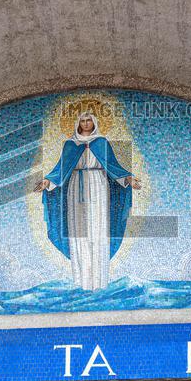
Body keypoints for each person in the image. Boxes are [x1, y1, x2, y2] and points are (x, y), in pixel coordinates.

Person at [34, 112, 141, 290]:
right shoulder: (70, 144)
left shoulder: (101, 142)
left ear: (94, 122)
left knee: (98, 229)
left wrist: (128, 179)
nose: (85, 123)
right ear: (78, 123)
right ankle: (81, 282)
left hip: (98, 186)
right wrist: (47, 182)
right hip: (76, 188)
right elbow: (60, 169)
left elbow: (113, 166)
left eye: (88, 120)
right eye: (82, 121)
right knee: (78, 232)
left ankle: (99, 282)